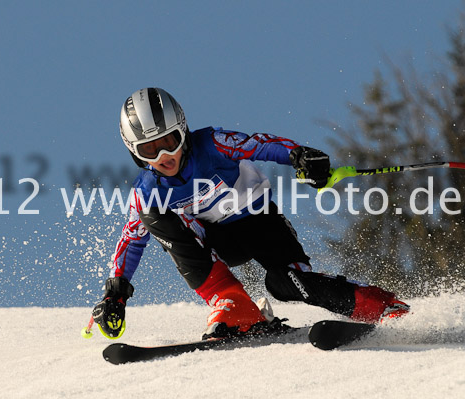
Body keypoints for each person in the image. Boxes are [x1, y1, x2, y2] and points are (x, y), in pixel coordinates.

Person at [91, 87, 409, 340]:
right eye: (149, 150)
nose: (164, 156)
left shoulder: (212, 144)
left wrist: (298, 156)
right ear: (135, 152)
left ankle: (381, 305)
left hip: (260, 224)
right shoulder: (147, 189)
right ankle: (232, 303)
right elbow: (132, 240)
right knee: (150, 212)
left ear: (183, 131)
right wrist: (115, 294)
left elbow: (258, 144)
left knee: (286, 283)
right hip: (215, 245)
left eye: (169, 142)